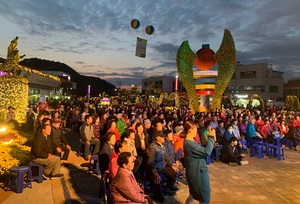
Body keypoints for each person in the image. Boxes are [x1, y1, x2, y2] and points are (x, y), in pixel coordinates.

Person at [182, 121, 216, 204]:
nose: (196, 131)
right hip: (198, 174)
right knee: (204, 198)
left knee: (193, 195)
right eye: (195, 129)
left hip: (195, 172)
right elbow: (207, 151)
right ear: (190, 130)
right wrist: (211, 137)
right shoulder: (189, 143)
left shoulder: (188, 142)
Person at [146, 131, 178, 203]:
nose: (164, 138)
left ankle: (167, 189)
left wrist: (172, 165)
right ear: (157, 138)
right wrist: (155, 173)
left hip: (163, 167)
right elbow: (150, 163)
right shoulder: (152, 148)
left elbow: (166, 157)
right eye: (162, 137)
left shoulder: (162, 145)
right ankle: (158, 195)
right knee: (161, 199)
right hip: (155, 170)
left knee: (173, 173)